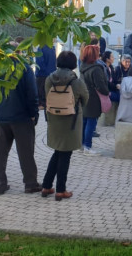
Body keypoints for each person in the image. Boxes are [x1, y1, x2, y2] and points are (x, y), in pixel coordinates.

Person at [42, 51, 88, 200]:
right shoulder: (76, 81)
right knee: (65, 154)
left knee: (58, 152)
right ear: (73, 64)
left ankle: (46, 186)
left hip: (54, 119)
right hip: (71, 121)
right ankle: (60, 190)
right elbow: (85, 98)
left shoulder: (49, 79)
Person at [0, 61, 41, 195]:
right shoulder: (25, 69)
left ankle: (0, 184)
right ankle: (30, 183)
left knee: (0, 153)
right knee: (26, 152)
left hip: (1, 115)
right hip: (21, 117)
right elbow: (32, 93)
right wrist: (33, 113)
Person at [79, 45, 108, 155]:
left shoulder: (82, 66)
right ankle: (88, 146)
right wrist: (106, 92)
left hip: (84, 96)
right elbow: (100, 85)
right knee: (91, 123)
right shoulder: (96, 69)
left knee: (84, 121)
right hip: (94, 98)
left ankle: (81, 145)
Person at [100, 50, 119, 127]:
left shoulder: (111, 67)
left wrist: (117, 85)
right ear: (107, 59)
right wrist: (115, 86)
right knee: (119, 97)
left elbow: (114, 80)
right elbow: (106, 82)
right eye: (112, 56)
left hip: (112, 89)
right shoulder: (103, 67)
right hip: (107, 91)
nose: (113, 58)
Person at [35, 42, 56, 110]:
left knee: (40, 89)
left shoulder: (41, 48)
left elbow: (39, 61)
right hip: (51, 72)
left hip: (42, 74)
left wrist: (42, 70)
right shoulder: (52, 47)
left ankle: (41, 103)